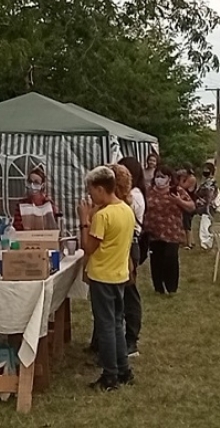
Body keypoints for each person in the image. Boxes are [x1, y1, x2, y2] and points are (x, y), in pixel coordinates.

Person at [79, 166, 135, 391]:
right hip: (119, 274)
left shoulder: (103, 216)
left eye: (91, 191)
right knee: (117, 324)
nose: (90, 196)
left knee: (105, 326)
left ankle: (110, 374)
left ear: (101, 189)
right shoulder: (125, 210)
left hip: (102, 276)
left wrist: (84, 220)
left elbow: (88, 247)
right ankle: (123, 369)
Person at [143, 166, 196, 294]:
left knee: (170, 258)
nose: (159, 179)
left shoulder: (177, 191)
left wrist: (179, 201)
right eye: (157, 176)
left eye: (163, 177)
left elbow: (191, 207)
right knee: (156, 259)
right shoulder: (149, 191)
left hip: (172, 232)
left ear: (169, 179)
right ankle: (158, 287)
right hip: (154, 232)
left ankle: (171, 287)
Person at [117, 157, 147, 357]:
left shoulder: (134, 196)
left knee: (129, 292)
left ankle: (131, 340)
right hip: (123, 245)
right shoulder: (130, 195)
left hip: (129, 244)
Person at [195, 163, 219, 251]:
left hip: (208, 206)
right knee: (205, 224)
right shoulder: (206, 182)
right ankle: (206, 243)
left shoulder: (210, 183)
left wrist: (207, 207)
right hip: (206, 206)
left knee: (205, 225)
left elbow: (210, 196)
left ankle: (207, 244)